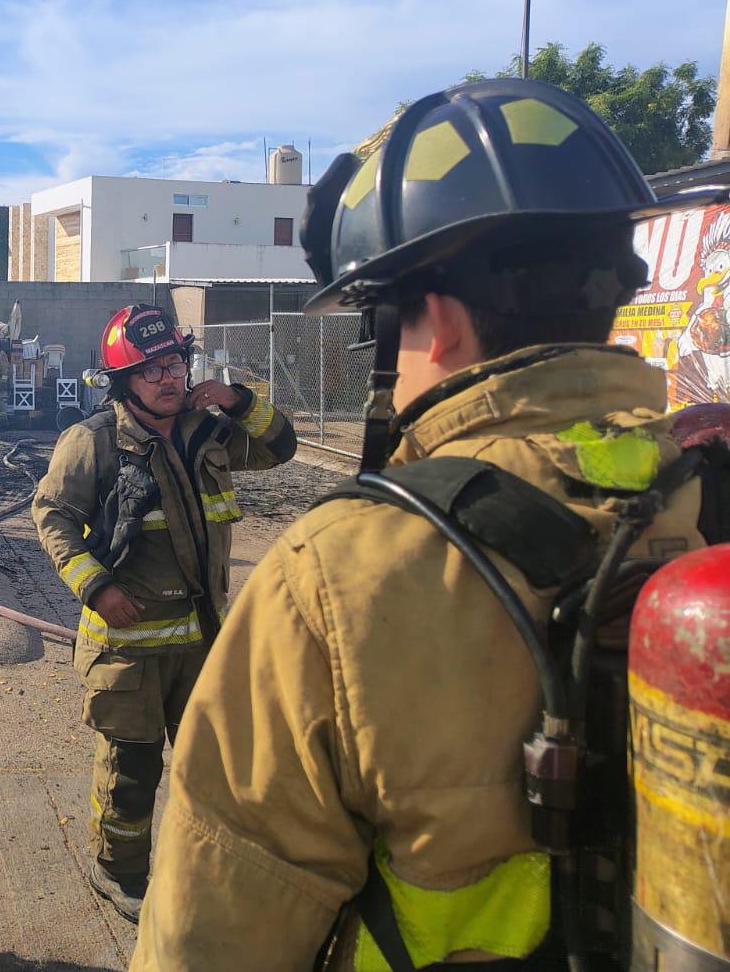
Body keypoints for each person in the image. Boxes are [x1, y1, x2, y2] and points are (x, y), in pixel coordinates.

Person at [132, 80, 705, 970]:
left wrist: (238, 403)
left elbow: (210, 934)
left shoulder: (340, 572)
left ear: (433, 321)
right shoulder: (705, 489)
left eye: (375, 324)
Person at [32, 302, 297, 922]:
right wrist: (96, 587)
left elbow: (281, 446)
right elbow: (54, 516)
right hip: (127, 648)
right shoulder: (93, 442)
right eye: (151, 370)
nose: (169, 377)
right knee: (131, 774)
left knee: (216, 770)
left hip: (203, 644)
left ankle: (209, 872)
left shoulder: (212, 431)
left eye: (175, 362)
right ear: (124, 382)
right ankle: (117, 872)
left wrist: (238, 401)